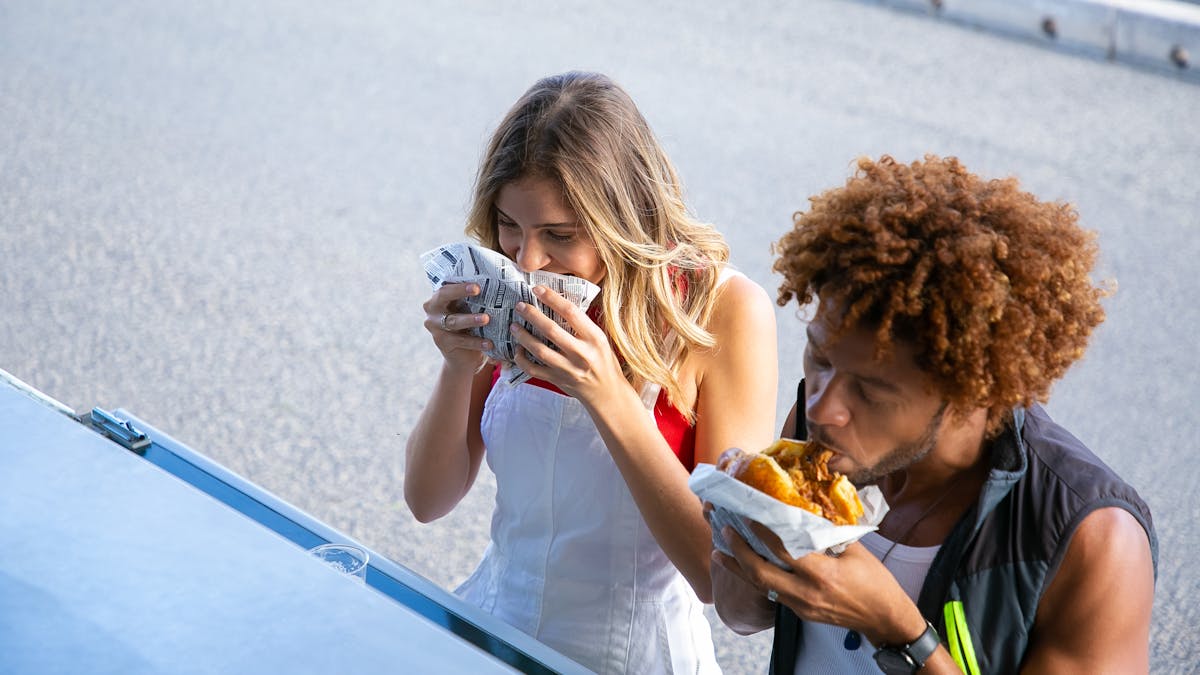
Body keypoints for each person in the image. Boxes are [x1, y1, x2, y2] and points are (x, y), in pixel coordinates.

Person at [710, 155, 1157, 674]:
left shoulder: (1092, 537)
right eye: (821, 358)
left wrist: (902, 633)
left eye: (873, 392)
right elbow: (740, 615)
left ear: (971, 391)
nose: (824, 408)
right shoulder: (823, 427)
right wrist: (741, 544)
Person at [404, 71, 778, 673]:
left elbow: (720, 575)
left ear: (625, 220)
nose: (528, 259)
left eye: (559, 234)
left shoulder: (725, 310)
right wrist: (456, 369)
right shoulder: (508, 281)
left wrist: (609, 398)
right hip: (496, 634)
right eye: (509, 226)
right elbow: (427, 500)